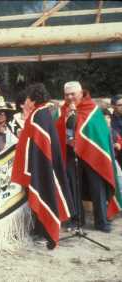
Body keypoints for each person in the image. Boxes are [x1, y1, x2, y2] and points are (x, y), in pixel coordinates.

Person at [11, 83, 74, 249]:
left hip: (41, 166)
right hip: (41, 164)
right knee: (45, 193)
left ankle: (45, 234)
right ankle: (40, 231)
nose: (26, 102)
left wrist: (35, 169)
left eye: (27, 98)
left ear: (33, 99)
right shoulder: (42, 113)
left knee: (44, 194)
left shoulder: (39, 115)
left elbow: (38, 145)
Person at [55, 81, 120, 233]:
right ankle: (77, 219)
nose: (70, 97)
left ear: (81, 92)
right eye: (67, 95)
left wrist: (75, 116)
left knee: (97, 188)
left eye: (73, 94)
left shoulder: (92, 109)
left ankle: (101, 221)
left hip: (92, 155)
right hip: (71, 154)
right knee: (73, 187)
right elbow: (58, 130)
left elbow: (100, 133)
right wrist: (66, 119)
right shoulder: (62, 110)